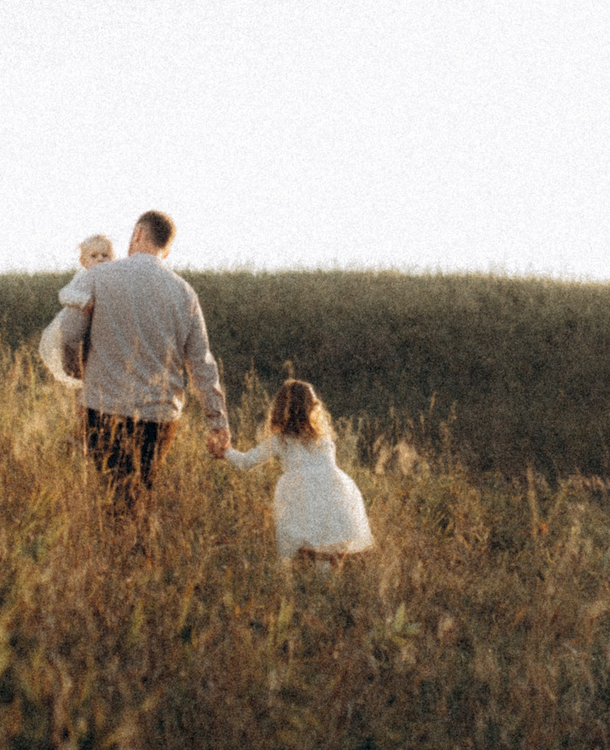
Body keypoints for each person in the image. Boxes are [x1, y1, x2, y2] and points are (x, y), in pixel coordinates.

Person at [55, 210, 229, 507]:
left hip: (102, 408)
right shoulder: (184, 293)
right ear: (167, 250)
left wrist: (76, 372)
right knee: (138, 493)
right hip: (159, 417)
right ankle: (136, 546)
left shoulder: (95, 277)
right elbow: (201, 363)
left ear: (137, 233)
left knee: (109, 495)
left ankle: (117, 548)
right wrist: (217, 420)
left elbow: (69, 335)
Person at [223, 380, 375, 565]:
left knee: (309, 547)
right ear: (311, 408)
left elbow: (246, 462)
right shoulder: (323, 439)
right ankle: (325, 581)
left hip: (302, 495)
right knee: (327, 546)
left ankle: (317, 581)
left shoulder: (280, 440)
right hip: (332, 493)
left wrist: (225, 451)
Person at [38, 234, 112, 391]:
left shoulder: (112, 279)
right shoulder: (82, 277)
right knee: (77, 362)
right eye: (94, 256)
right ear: (83, 262)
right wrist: (83, 300)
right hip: (75, 330)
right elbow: (64, 294)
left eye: (105, 255)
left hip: (98, 331)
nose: (100, 259)